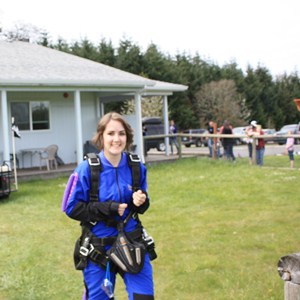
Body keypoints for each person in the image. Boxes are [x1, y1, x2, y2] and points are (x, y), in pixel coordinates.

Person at [62, 112, 154, 300]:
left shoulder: (136, 166)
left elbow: (142, 202)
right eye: (110, 133)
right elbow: (70, 208)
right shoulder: (87, 169)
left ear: (127, 137)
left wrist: (141, 201)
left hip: (132, 244)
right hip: (98, 250)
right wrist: (106, 208)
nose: (116, 139)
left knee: (144, 298)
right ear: (101, 136)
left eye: (121, 133)